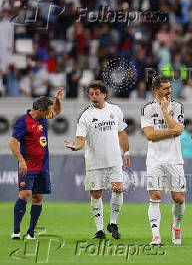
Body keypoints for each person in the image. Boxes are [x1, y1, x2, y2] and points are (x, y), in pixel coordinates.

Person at [65, 81, 130, 240]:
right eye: (91, 94)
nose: (94, 96)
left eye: (97, 93)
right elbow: (81, 139)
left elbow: (122, 133)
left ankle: (113, 223)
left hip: (114, 159)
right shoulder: (85, 116)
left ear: (104, 94)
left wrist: (126, 152)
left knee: (118, 189)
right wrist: (75, 147)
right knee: (96, 193)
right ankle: (100, 230)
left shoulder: (115, 110)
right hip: (94, 161)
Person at [10, 88, 64, 239]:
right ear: (40, 110)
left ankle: (31, 232)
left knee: (38, 198)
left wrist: (58, 99)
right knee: (25, 194)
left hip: (43, 166)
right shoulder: (23, 122)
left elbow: (57, 111)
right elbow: (13, 142)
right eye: (47, 111)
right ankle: (16, 231)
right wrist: (21, 160)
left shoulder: (43, 117)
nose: (49, 114)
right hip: (28, 165)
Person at [141, 75, 185, 245]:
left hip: (174, 159)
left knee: (179, 199)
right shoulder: (147, 109)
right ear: (155, 91)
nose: (169, 91)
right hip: (155, 159)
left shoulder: (177, 106)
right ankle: (156, 236)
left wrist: (165, 111)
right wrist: (171, 131)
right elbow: (150, 135)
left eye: (170, 87)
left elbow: (179, 131)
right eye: (165, 88)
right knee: (155, 195)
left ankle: (177, 226)